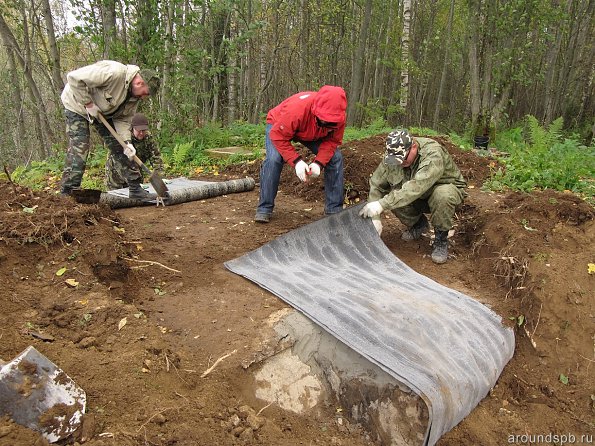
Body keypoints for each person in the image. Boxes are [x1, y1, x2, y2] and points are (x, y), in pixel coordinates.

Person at [359, 129, 467, 264]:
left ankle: (441, 239)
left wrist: (382, 205)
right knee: (391, 194)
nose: (399, 163)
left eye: (403, 159)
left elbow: (417, 186)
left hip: (443, 191)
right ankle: (418, 224)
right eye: (396, 160)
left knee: (442, 195)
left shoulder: (433, 153)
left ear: (414, 146)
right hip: (417, 195)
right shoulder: (393, 155)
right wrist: (375, 219)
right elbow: (377, 185)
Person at [59, 60, 160, 200]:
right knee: (81, 147)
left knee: (121, 147)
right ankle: (67, 193)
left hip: (104, 112)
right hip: (76, 104)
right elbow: (74, 78)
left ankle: (135, 188)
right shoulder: (113, 73)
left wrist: (127, 142)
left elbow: (124, 120)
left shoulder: (134, 97)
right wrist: (87, 103)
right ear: (139, 83)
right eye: (145, 94)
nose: (144, 98)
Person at [254, 85, 348, 223]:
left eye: (330, 122)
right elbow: (278, 136)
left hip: (311, 133)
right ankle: (264, 208)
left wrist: (319, 163)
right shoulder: (297, 110)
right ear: (316, 111)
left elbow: (332, 141)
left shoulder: (339, 117)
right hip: (279, 125)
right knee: (274, 159)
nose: (327, 123)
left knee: (336, 158)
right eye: (323, 120)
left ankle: (334, 210)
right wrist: (297, 161)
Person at [105, 113, 164, 190]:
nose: (141, 133)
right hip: (116, 178)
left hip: (136, 174)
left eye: (144, 130)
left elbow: (156, 157)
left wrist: (159, 177)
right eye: (139, 130)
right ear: (132, 128)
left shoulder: (148, 138)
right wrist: (134, 182)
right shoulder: (123, 138)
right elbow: (118, 162)